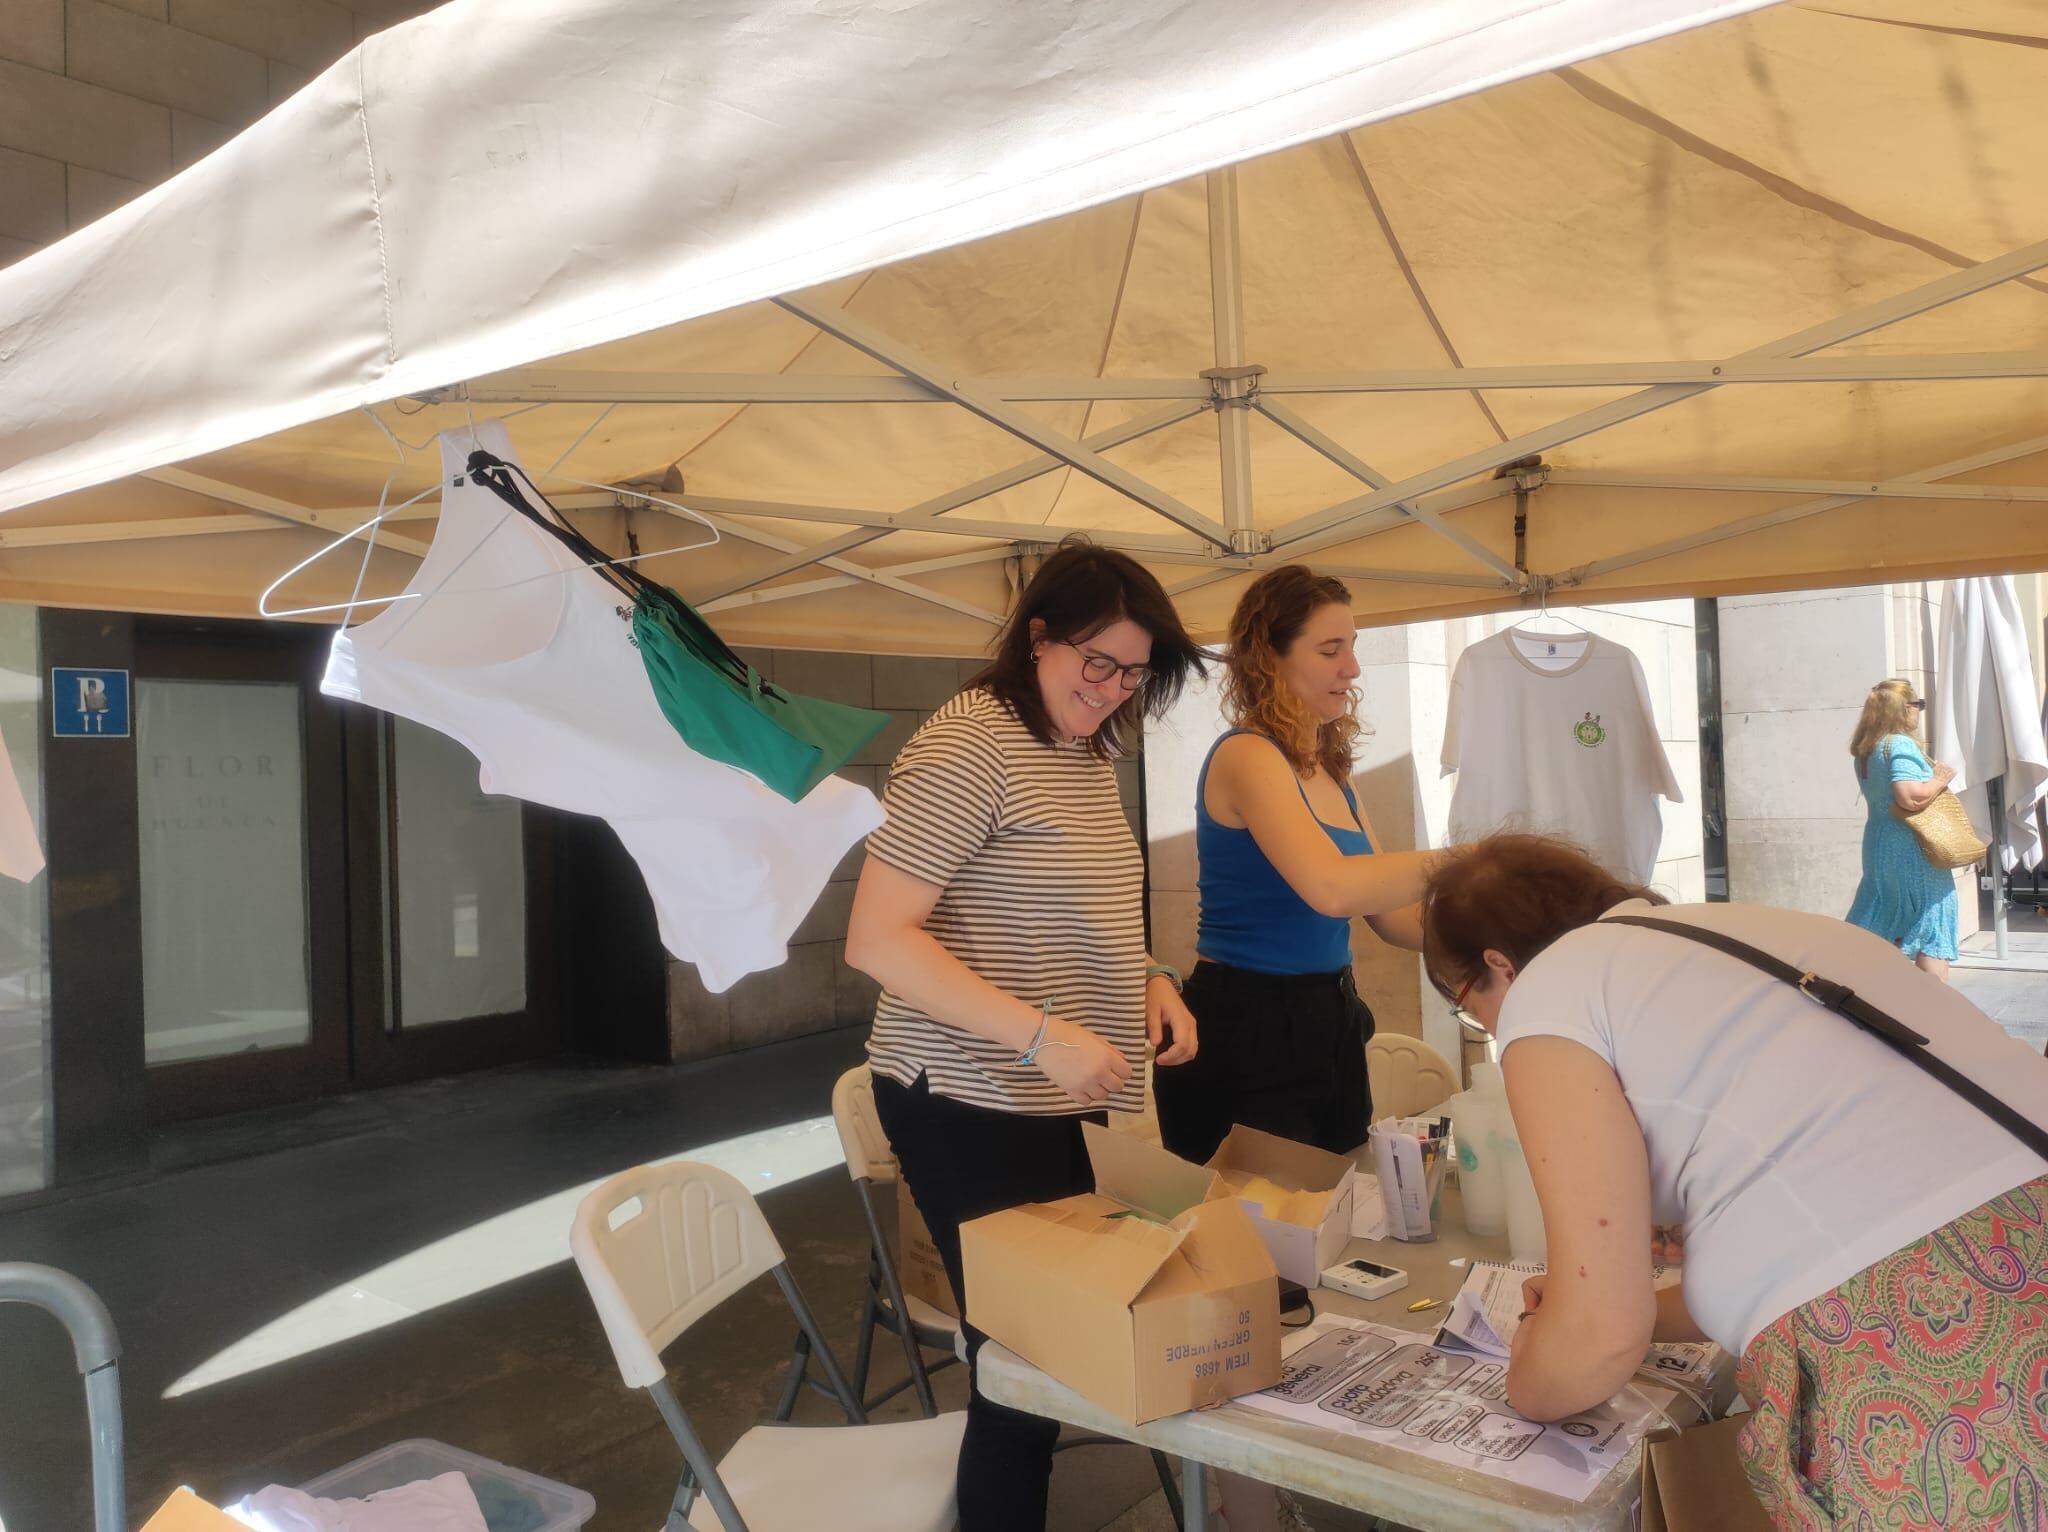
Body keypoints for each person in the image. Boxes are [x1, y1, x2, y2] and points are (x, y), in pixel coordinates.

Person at [1421, 833, 2048, 1528]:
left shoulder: (1546, 994)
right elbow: (1849, 1212)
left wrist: (1534, 1355)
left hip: (1933, 1351)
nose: (1481, 1025)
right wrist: (1651, 1302)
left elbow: (1596, 1340)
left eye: (1464, 1004)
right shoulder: (1743, 931)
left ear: (1497, 966)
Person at [845, 540, 1206, 1532]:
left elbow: (1064, 903)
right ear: (1037, 634)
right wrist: (1041, 1032)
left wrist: (1145, 975)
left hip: (1056, 1084)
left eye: (1134, 673)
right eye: (1097, 663)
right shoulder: (968, 744)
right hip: (967, 1092)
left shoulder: (1084, 744)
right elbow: (876, 937)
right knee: (1023, 1357)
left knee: (1053, 1343)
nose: (1112, 688)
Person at [1154, 565, 1436, 1163]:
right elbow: (1331, 890)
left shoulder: (1331, 770)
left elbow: (1391, 916)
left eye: (1353, 647)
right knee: (1262, 1239)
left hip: (1330, 1017)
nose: (1352, 668)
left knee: (1338, 1219)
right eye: (1331, 649)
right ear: (1269, 659)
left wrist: (1491, 941)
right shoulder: (1247, 756)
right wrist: (1466, 860)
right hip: (1248, 1023)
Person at [1846, 678, 1960, 982]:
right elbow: (1910, 796)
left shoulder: (1866, 750)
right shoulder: (1899, 744)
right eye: (1918, 705)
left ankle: (1876, 995)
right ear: (1903, 708)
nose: (1919, 711)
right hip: (1913, 845)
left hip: (1880, 843)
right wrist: (1940, 779)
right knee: (1932, 918)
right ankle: (1935, 1011)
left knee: (1883, 911)